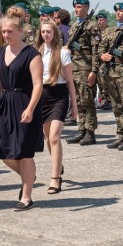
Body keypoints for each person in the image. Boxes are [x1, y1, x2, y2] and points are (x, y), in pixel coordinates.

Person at [0, 6, 43, 210]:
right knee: (5, 152)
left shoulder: (31, 54)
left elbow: (38, 84)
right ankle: (29, 177)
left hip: (25, 103)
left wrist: (30, 108)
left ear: (20, 31)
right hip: (5, 103)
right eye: (3, 31)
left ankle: (26, 196)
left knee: (25, 152)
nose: (6, 35)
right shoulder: (0, 53)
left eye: (10, 31)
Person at [36, 21, 77, 194]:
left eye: (49, 31)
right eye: (43, 32)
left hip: (58, 95)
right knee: (48, 138)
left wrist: (74, 105)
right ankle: (57, 164)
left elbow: (69, 81)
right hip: (41, 95)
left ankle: (55, 178)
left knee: (54, 137)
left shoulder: (63, 53)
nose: (46, 34)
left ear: (55, 34)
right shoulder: (35, 53)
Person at [95, 3, 123, 150]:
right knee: (116, 106)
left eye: (122, 10)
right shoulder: (111, 30)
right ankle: (120, 134)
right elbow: (101, 46)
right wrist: (103, 55)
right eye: (117, 10)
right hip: (112, 72)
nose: (118, 13)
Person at [65, 0, 101, 146]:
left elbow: (96, 49)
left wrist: (94, 70)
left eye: (79, 7)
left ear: (87, 8)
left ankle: (90, 132)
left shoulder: (92, 26)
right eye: (75, 7)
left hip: (86, 67)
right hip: (75, 66)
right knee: (78, 101)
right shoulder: (74, 25)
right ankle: (81, 129)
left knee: (87, 101)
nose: (76, 9)